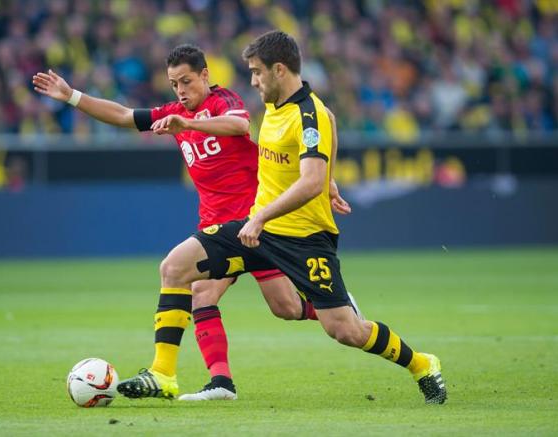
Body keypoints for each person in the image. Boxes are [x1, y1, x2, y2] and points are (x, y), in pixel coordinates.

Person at [116, 31, 447, 405]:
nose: (253, 81)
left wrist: (302, 193)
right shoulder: (276, 107)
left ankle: (421, 363)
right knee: (175, 269)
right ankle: (163, 373)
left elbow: (308, 182)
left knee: (345, 330)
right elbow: (306, 145)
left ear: (279, 69)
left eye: (257, 73)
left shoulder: (310, 115)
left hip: (303, 238)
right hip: (256, 226)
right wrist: (328, 178)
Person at [32, 44, 358, 401]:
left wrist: (189, 123)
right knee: (200, 291)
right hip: (216, 226)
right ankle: (217, 382)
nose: (180, 91)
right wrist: (72, 96)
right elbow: (125, 115)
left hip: (258, 222)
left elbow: (238, 124)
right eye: (174, 84)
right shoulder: (173, 113)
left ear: (205, 75)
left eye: (186, 81)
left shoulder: (223, 102)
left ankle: (336, 308)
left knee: (286, 308)